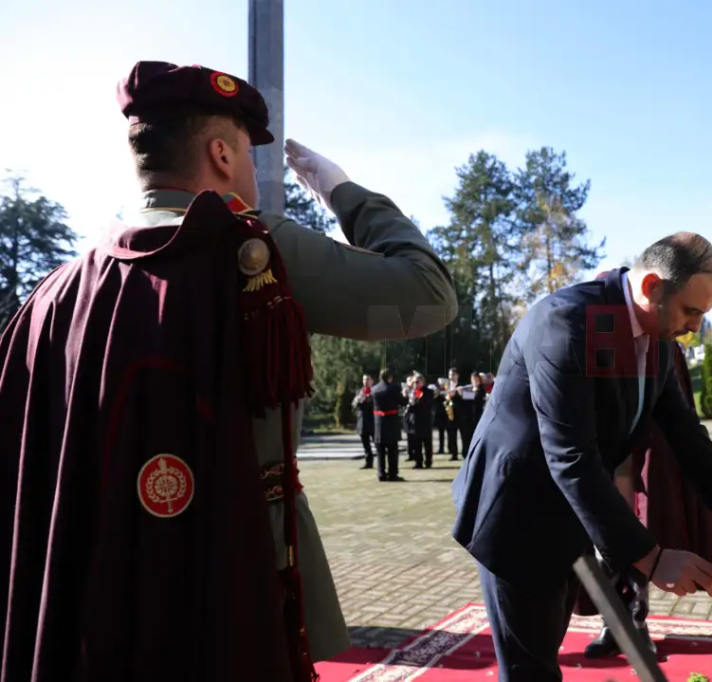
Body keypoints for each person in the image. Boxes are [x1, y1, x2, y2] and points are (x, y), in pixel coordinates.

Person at [0, 61, 457, 682]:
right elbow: (428, 294)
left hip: (87, 604)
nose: (251, 170)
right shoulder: (252, 250)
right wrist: (345, 195)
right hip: (228, 595)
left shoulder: (57, 293)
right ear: (220, 153)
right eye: (246, 150)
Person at [451, 234, 712, 682]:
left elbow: (683, 428)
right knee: (528, 671)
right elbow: (571, 456)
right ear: (653, 286)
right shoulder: (569, 323)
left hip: (570, 514)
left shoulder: (654, 333)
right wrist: (652, 558)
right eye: (691, 311)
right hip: (518, 515)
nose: (695, 327)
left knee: (543, 653)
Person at [577, 321, 712, 661]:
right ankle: (611, 623)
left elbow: (679, 417)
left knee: (641, 537)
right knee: (603, 539)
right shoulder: (594, 340)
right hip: (602, 461)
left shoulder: (663, 345)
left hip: (647, 457)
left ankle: (636, 620)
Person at [372, 369, 407, 481]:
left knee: (380, 451)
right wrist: (404, 393)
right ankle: (392, 473)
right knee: (392, 450)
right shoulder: (393, 388)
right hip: (391, 422)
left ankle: (381, 473)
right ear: (390, 377)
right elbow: (403, 402)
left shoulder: (374, 389)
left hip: (378, 422)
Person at [407, 373, 435, 469]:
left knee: (427, 443)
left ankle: (428, 462)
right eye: (414, 382)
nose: (415, 384)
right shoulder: (411, 392)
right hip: (414, 420)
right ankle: (418, 462)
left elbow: (429, 404)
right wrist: (411, 400)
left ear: (422, 382)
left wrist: (418, 400)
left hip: (425, 420)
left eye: (417, 382)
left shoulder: (429, 392)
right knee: (416, 443)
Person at [446, 367, 471, 460]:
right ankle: (454, 454)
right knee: (451, 435)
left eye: (453, 374)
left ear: (457, 375)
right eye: (449, 375)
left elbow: (468, 398)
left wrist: (460, 393)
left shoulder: (462, 385)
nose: (451, 377)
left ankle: (465, 453)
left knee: (464, 435)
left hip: (461, 413)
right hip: (451, 413)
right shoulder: (447, 385)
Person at [353, 374, 376, 469]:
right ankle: (368, 462)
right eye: (364, 380)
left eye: (367, 379)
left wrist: (367, 399)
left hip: (373, 421)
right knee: (366, 444)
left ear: (372, 381)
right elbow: (354, 406)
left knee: (377, 443)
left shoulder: (375, 391)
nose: (365, 381)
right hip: (362, 421)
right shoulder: (359, 391)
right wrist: (357, 400)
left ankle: (382, 462)